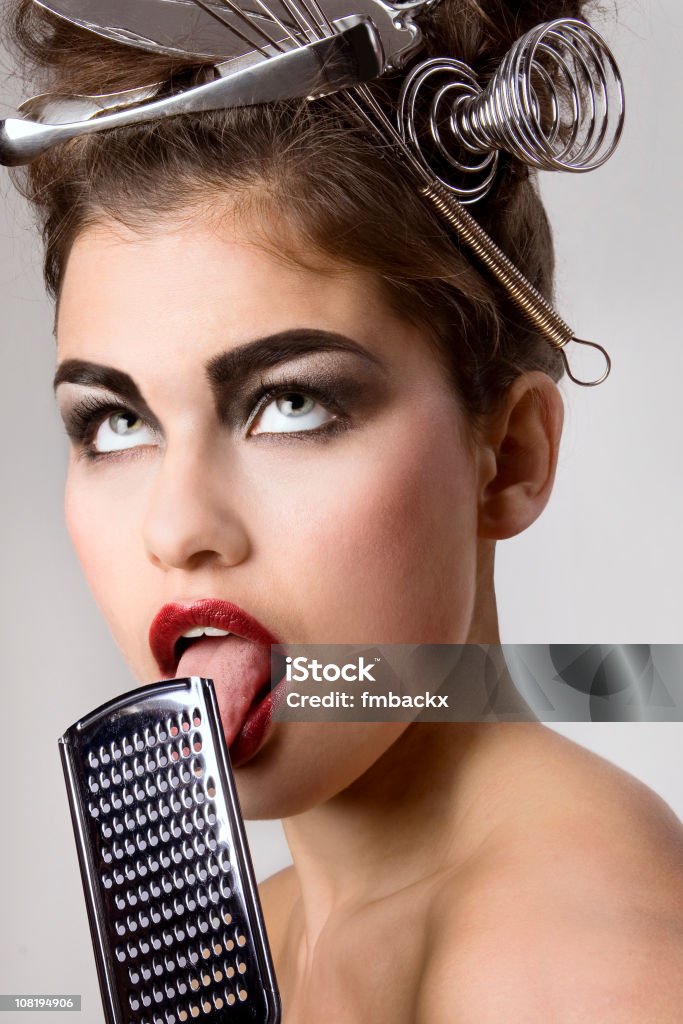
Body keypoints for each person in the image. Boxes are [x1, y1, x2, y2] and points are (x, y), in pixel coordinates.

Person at [5, 0, 683, 1019]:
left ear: (508, 458)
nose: (175, 526)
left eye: (290, 403)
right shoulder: (243, 957)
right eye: (112, 422)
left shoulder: (574, 970)